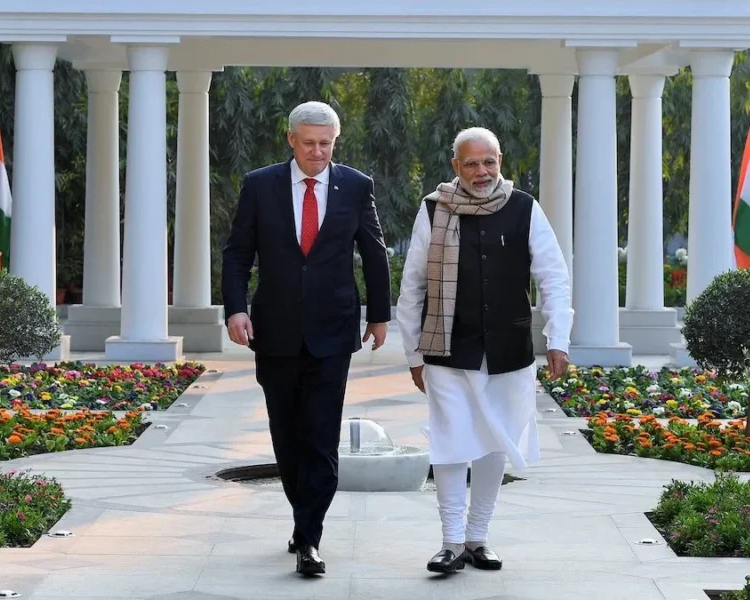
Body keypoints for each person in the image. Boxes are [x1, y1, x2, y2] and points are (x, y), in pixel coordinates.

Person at [221, 101, 392, 575]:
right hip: (273, 330)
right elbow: (237, 253)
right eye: (310, 142)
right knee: (287, 436)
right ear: (291, 139)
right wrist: (235, 309)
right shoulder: (260, 185)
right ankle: (303, 518)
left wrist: (380, 316)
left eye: (327, 144)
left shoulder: (356, 186)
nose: (318, 152)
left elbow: (374, 253)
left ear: (335, 142)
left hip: (333, 332)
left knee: (320, 436)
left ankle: (310, 537)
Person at [396, 127, 572, 574]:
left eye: (489, 162)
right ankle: (451, 542)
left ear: (500, 161)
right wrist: (413, 352)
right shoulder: (434, 209)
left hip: (508, 349)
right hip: (446, 349)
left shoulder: (524, 207)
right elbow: (413, 284)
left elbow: (553, 276)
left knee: (496, 443)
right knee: (451, 442)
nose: (481, 171)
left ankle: (478, 537)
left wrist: (558, 339)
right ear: (456, 166)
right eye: (471, 163)